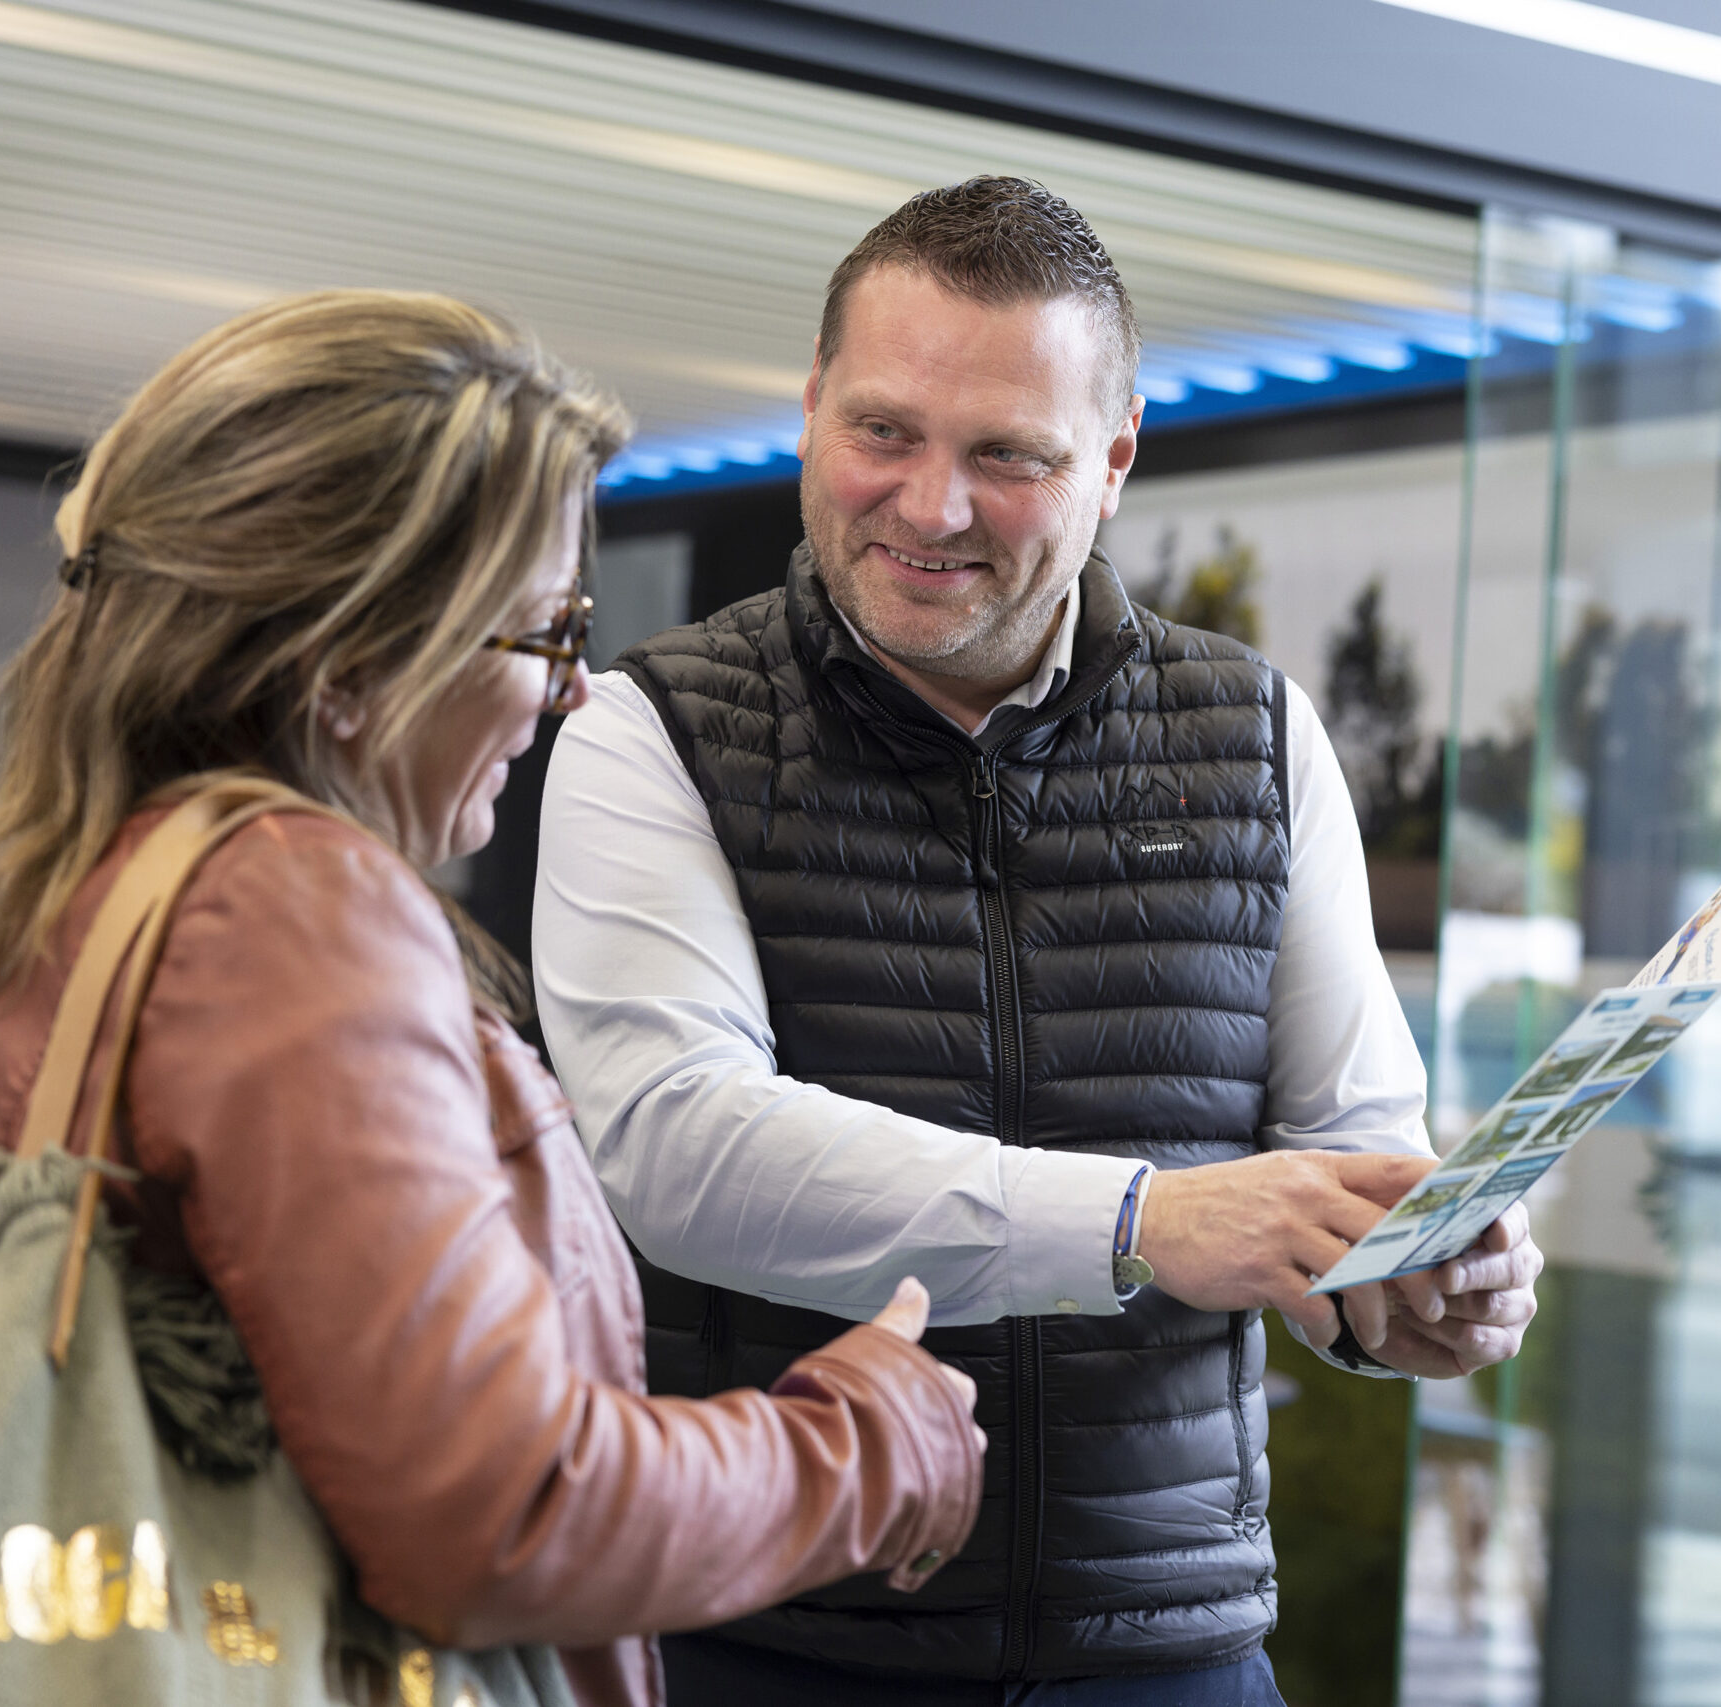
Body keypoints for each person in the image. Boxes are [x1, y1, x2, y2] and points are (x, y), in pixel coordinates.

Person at [0, 290, 985, 1707]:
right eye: (544, 632)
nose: (568, 697)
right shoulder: (294, 915)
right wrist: (874, 1439)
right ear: (350, 665)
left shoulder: (58, 905)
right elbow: (507, 1511)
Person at [533, 177, 1544, 1704]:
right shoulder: (646, 729)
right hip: (768, 1641)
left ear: (1115, 460)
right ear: (811, 409)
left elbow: (1349, 1146)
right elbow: (680, 1152)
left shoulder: (1260, 737)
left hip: (1170, 1652)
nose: (932, 505)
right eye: (884, 432)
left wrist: (1414, 1286)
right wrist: (1146, 1222)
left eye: (1008, 455)